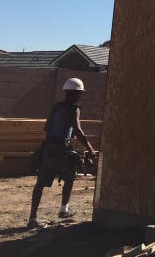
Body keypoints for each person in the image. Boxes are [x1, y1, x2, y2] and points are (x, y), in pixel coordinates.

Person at [28, 77, 96, 228]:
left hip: (49, 148)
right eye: (80, 93)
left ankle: (32, 218)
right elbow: (78, 131)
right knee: (70, 176)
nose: (81, 96)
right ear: (75, 93)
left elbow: (47, 128)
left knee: (40, 183)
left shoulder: (56, 107)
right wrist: (90, 149)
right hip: (61, 148)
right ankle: (63, 210)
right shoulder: (74, 109)